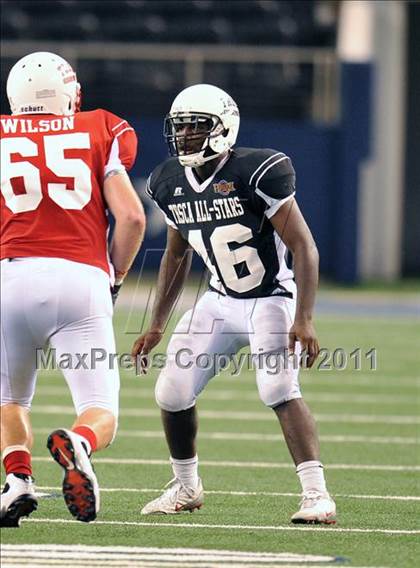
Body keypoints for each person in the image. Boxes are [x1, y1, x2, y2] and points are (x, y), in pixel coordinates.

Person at [132, 84, 336, 524]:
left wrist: (305, 317)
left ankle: (317, 495)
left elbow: (303, 245)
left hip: (271, 299)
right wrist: (156, 324)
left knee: (279, 388)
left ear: (223, 128)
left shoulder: (257, 169)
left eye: (196, 127)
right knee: (171, 391)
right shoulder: (168, 180)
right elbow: (175, 254)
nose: (185, 136)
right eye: (180, 127)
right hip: (220, 301)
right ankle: (186, 487)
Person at [0, 51, 146, 526]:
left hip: (10, 276)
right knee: (100, 409)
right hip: (80, 279)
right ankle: (79, 442)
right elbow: (132, 217)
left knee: (9, 399)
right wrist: (116, 279)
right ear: (67, 94)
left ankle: (17, 480)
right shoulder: (101, 127)